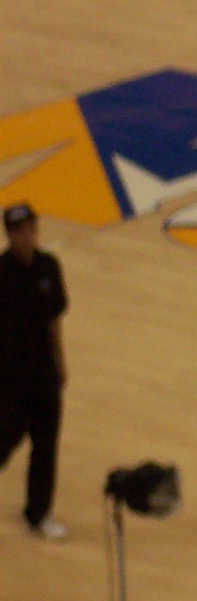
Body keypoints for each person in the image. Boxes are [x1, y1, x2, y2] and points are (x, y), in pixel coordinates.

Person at [0, 205, 70, 541]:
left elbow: (54, 318)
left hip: (45, 374)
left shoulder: (48, 266)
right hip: (11, 378)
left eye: (32, 228)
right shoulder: (1, 274)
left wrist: (61, 361)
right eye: (22, 230)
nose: (29, 235)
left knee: (45, 448)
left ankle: (38, 514)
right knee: (4, 440)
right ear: (10, 235)